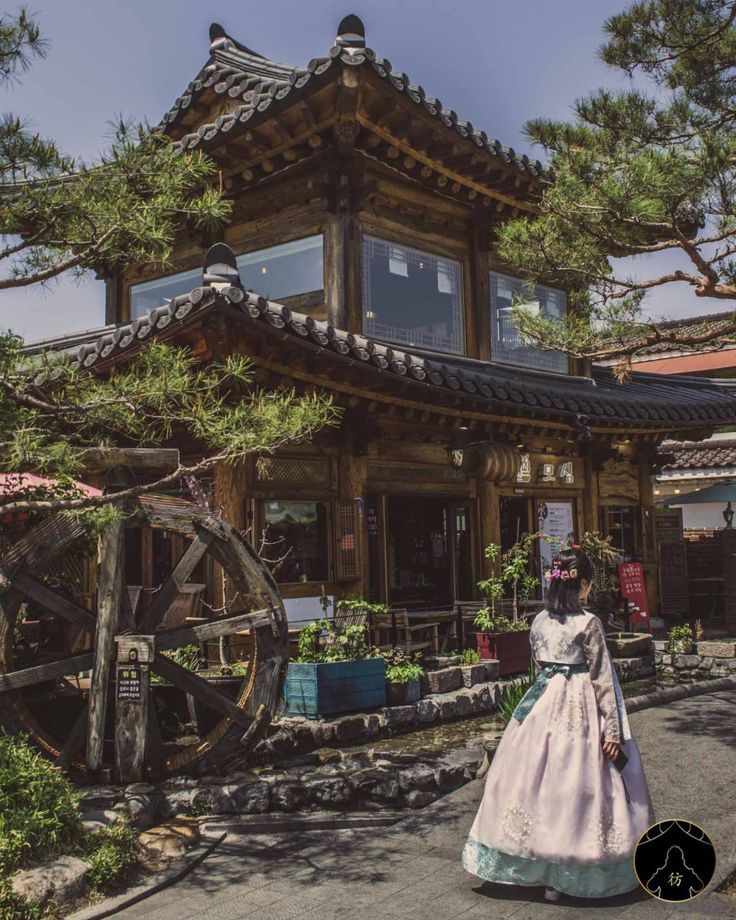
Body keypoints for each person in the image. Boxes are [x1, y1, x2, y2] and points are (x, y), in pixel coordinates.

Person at [462, 545, 655, 901]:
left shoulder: (539, 621)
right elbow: (602, 681)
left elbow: (539, 667)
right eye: (588, 583)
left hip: (542, 706)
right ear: (581, 584)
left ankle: (533, 867)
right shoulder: (589, 623)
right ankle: (570, 874)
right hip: (580, 707)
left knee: (535, 784)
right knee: (576, 787)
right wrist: (611, 731)